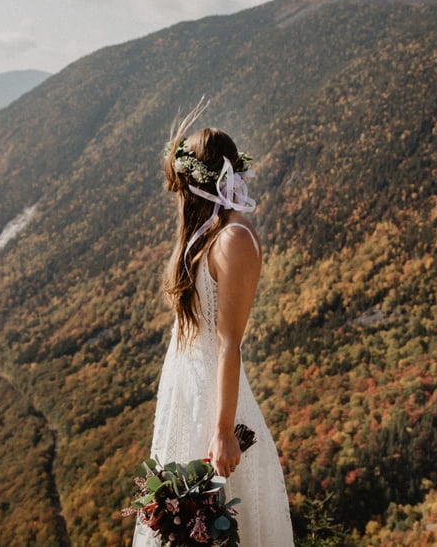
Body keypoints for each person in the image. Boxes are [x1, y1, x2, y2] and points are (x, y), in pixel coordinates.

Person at [133, 106, 293, 546]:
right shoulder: (208, 234)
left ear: (197, 183)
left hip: (212, 401)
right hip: (186, 391)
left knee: (218, 522)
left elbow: (229, 344)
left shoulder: (233, 240)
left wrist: (222, 431)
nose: (178, 197)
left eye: (181, 187)